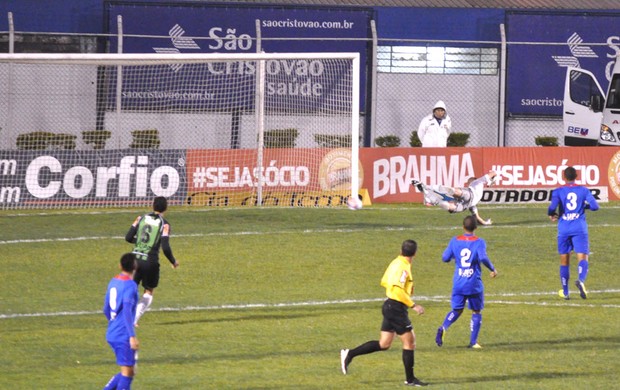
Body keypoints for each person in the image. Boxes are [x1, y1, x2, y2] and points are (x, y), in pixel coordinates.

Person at [340, 239, 428, 387]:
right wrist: (413, 305)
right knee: (409, 341)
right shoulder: (404, 267)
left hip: (389, 306)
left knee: (384, 343)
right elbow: (397, 290)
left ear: (401, 250)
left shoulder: (395, 262)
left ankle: (349, 354)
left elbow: (384, 281)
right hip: (396, 308)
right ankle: (410, 379)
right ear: (415, 253)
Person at [435, 215, 497, 349]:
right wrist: (492, 268)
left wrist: (454, 256)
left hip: (458, 282)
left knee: (456, 310)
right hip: (473, 283)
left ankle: (444, 326)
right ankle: (473, 342)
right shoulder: (479, 242)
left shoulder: (455, 241)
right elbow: (483, 257)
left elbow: (445, 258)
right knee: (476, 311)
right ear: (476, 227)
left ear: (463, 227)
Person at [125, 196, 179, 326]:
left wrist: (138, 242)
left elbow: (128, 237)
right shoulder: (164, 224)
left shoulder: (140, 218)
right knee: (148, 291)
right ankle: (135, 319)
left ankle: (122, 315)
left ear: (152, 205)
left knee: (131, 288)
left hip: (135, 259)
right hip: (150, 261)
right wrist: (173, 261)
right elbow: (165, 247)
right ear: (166, 208)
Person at [548, 166, 599, 300]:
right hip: (579, 228)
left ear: (564, 177)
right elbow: (595, 206)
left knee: (564, 260)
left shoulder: (558, 191)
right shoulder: (583, 190)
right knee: (583, 257)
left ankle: (565, 292)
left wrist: (551, 214)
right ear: (576, 176)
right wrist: (584, 206)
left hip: (564, 228)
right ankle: (581, 280)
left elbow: (552, 207)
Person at [103, 253, 139, 390]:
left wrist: (112, 323)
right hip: (123, 334)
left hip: (112, 331)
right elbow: (127, 311)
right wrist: (131, 336)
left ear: (120, 265)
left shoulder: (113, 282)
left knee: (129, 370)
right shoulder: (130, 285)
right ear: (135, 267)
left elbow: (106, 308)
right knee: (127, 373)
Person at [411, 170, 498, 226]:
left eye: (469, 180)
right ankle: (433, 197)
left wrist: (492, 179)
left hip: (469, 195)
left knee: (455, 192)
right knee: (448, 206)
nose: (467, 182)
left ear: (473, 179)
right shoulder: (475, 200)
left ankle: (429, 189)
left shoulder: (477, 182)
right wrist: (485, 223)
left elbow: (494, 172)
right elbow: (476, 217)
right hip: (467, 204)